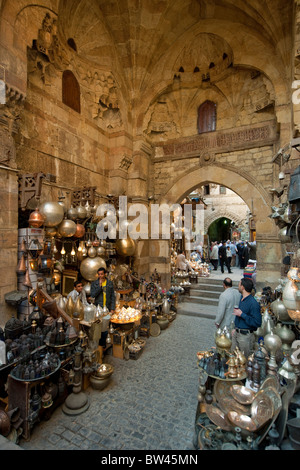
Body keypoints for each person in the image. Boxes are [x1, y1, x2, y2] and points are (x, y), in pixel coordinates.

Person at [231, 278, 262, 358]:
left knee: (244, 360)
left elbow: (257, 322)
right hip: (237, 333)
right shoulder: (242, 298)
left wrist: (242, 314)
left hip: (245, 337)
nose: (238, 286)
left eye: (239, 284)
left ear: (243, 287)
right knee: (234, 358)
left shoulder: (253, 303)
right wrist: (236, 328)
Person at [90, 267, 116, 347]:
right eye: (99, 274)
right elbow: (93, 295)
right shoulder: (94, 284)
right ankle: (100, 346)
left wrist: (112, 308)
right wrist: (100, 286)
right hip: (98, 309)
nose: (100, 276)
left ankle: (104, 345)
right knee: (99, 327)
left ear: (105, 274)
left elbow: (113, 296)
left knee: (105, 326)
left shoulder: (109, 283)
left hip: (107, 308)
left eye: (102, 274)